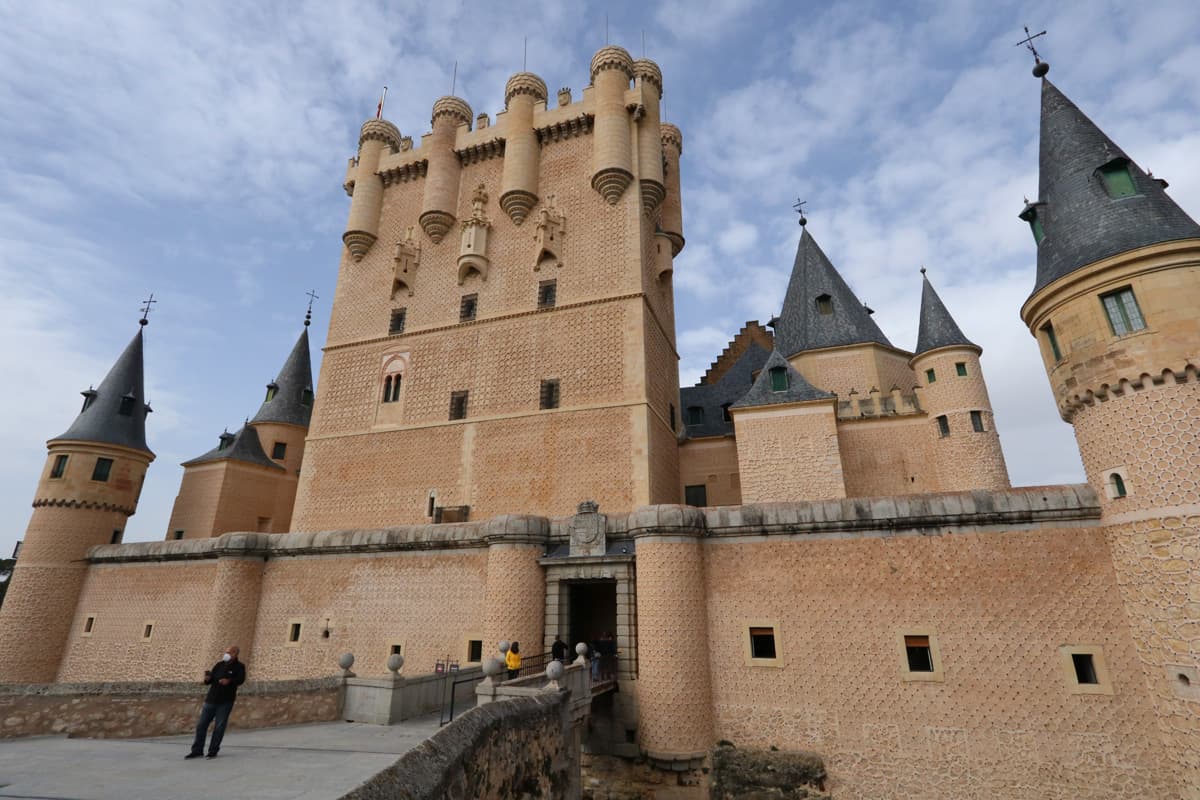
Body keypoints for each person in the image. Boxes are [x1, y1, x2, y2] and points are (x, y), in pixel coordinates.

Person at [186, 645, 246, 759]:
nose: (226, 654)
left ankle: (213, 751)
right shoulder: (219, 665)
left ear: (235, 654)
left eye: (228, 652)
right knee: (201, 726)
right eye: (226, 651)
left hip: (225, 701)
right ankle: (197, 750)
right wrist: (207, 679)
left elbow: (241, 680)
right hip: (211, 700)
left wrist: (229, 681)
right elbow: (210, 680)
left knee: (219, 727)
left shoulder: (240, 667)